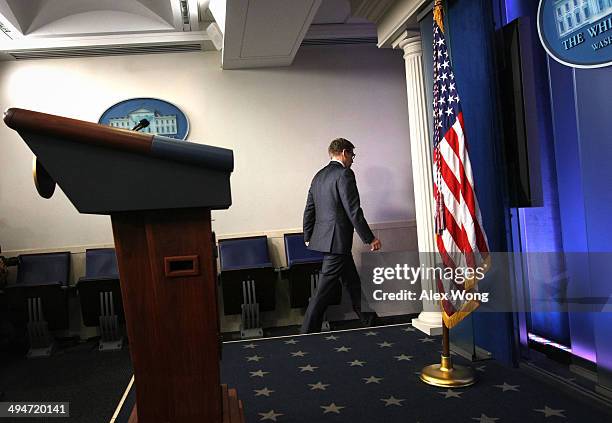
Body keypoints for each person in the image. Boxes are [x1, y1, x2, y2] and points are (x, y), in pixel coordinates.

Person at [300, 138, 381, 334]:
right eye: (352, 155)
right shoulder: (345, 174)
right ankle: (306, 332)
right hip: (337, 240)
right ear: (344, 152)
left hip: (328, 240)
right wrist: (370, 238)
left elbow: (309, 208)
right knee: (322, 290)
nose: (352, 160)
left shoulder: (318, 176)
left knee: (353, 283)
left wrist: (307, 234)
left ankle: (370, 320)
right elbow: (353, 210)